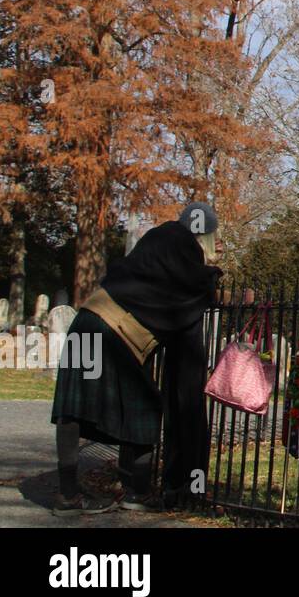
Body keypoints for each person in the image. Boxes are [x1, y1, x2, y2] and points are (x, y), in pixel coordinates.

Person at [49, 202, 222, 516]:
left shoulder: (156, 240)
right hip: (120, 335)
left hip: (87, 319)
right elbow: (190, 306)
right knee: (143, 409)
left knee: (72, 408)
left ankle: (67, 493)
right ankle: (138, 491)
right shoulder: (188, 260)